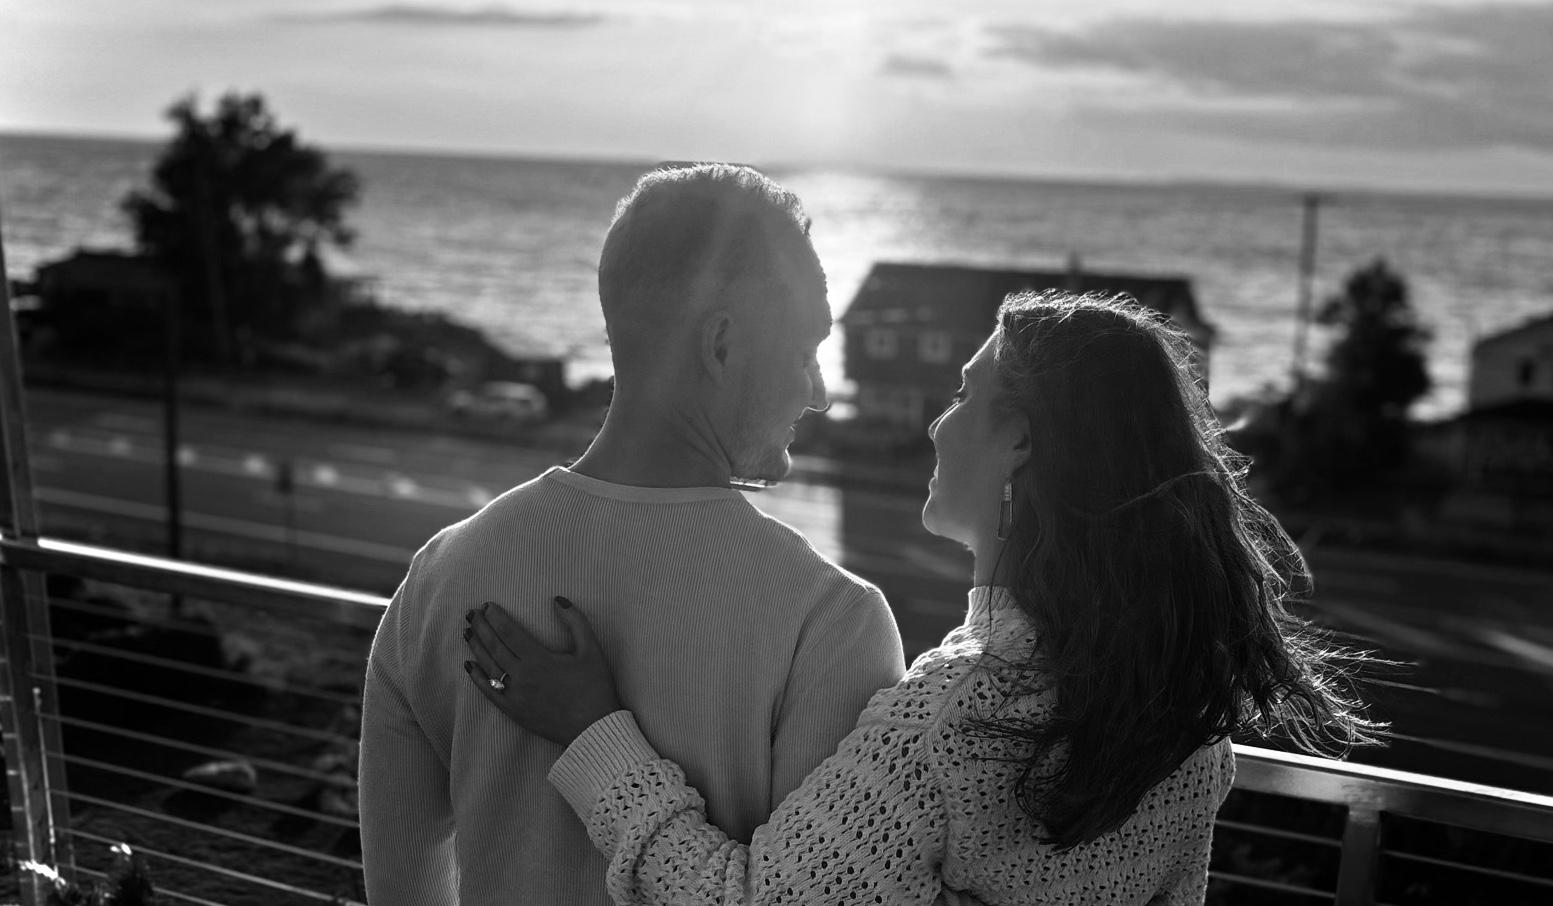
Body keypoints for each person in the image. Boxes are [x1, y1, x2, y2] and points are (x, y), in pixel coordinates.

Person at [463, 290, 1383, 905]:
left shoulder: (951, 719)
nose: (939, 424)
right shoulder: (1186, 721)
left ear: (1019, 443)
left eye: (964, 393)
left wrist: (592, 732)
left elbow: (744, 899)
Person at [359, 164, 907, 905]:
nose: (818, 395)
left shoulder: (441, 575)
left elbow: (402, 888)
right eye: (805, 353)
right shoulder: (832, 620)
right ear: (721, 345)